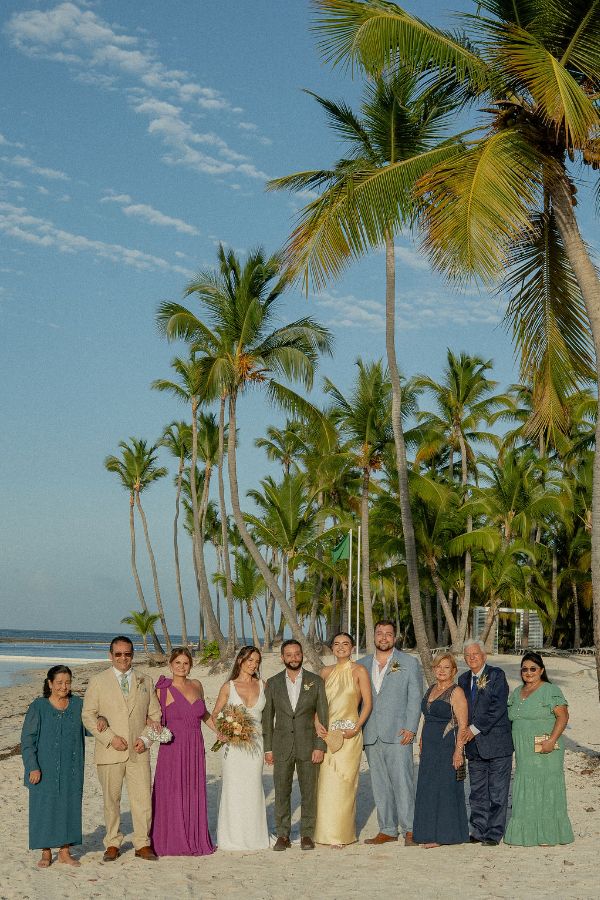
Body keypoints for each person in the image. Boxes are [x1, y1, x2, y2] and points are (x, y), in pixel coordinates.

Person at [82, 635, 161, 862]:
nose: (123, 658)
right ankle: (113, 842)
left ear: (132, 655)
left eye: (127, 654)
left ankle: (142, 843)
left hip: (138, 751)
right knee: (111, 800)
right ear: (110, 655)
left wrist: (145, 739)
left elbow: (155, 716)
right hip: (110, 752)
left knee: (142, 798)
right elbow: (88, 715)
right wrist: (109, 737)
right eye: (118, 654)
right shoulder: (98, 681)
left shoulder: (145, 680)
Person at [262, 639, 329, 850]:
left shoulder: (315, 681)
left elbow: (323, 716)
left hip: (308, 744)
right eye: (288, 654)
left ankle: (307, 834)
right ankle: (283, 834)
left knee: (309, 790)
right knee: (282, 791)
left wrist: (320, 745)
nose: (293, 658)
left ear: (302, 655)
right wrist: (268, 748)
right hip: (281, 746)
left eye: (297, 654)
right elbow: (267, 718)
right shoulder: (272, 683)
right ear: (282, 657)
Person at [360, 620, 422, 846]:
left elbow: (415, 697)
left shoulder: (408, 663)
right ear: (373, 637)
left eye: (388, 634)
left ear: (395, 637)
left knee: (402, 781)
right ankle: (387, 828)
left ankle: (410, 829)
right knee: (380, 783)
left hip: (398, 733)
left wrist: (412, 727)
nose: (383, 637)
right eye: (379, 633)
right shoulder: (361, 664)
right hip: (371, 733)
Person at [150, 647, 215, 856]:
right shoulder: (162, 689)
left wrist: (221, 732)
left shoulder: (197, 685)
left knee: (193, 791)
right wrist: (153, 729)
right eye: (177, 663)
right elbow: (149, 716)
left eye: (185, 663)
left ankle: (192, 837)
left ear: (190, 665)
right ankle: (170, 839)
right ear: (170, 665)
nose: (181, 667)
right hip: (173, 747)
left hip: (195, 744)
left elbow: (204, 714)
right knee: (171, 791)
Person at [504, 651, 574, 846]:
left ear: (541, 670)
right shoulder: (517, 692)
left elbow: (563, 717)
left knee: (547, 787)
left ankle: (548, 835)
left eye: (533, 668)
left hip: (546, 749)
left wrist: (551, 740)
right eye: (524, 669)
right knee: (525, 786)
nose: (528, 672)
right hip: (524, 752)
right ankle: (525, 834)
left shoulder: (551, 690)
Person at [21, 666, 86, 868]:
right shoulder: (38, 706)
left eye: (67, 682)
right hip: (43, 767)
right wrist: (33, 766)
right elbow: (27, 740)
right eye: (59, 682)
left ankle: (65, 851)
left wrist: (100, 719)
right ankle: (46, 852)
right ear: (50, 683)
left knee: (69, 806)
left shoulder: (78, 705)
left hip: (72, 767)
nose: (63, 687)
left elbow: (91, 727)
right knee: (44, 808)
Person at [314, 632, 372, 847]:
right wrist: (316, 724)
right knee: (327, 784)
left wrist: (357, 728)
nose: (341, 647)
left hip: (350, 736)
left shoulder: (360, 670)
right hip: (327, 735)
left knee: (345, 785)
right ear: (331, 647)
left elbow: (367, 703)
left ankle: (341, 835)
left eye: (345, 644)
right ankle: (324, 833)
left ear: (352, 646)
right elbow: (316, 703)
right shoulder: (325, 672)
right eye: (337, 644)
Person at [213, 645, 269, 851]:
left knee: (253, 788)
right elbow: (215, 714)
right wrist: (223, 730)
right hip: (234, 749)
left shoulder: (263, 685)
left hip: (255, 746)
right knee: (233, 789)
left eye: (257, 661)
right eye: (250, 660)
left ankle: (254, 836)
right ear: (240, 661)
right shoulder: (229, 686)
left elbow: (270, 716)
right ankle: (232, 837)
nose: (253, 665)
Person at [457, 640, 513, 846]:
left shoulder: (497, 675)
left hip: (498, 744)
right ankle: (478, 830)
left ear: (484, 656)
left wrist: (473, 729)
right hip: (473, 748)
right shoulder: (462, 679)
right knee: (477, 792)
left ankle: (494, 832)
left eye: (476, 654)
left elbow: (497, 708)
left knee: (498, 793)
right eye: (468, 655)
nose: (472, 658)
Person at [413, 652, 469, 848]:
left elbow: (463, 725)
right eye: (438, 667)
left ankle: (444, 835)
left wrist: (458, 751)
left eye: (447, 667)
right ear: (434, 669)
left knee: (444, 789)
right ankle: (427, 832)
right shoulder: (431, 689)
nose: (442, 670)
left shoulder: (456, 692)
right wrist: (421, 739)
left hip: (447, 746)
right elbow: (427, 718)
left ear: (454, 671)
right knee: (428, 788)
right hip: (429, 745)